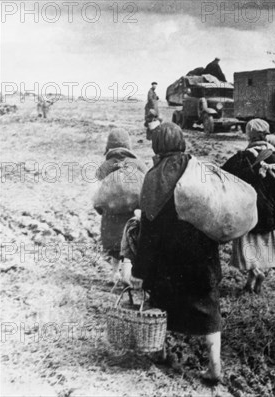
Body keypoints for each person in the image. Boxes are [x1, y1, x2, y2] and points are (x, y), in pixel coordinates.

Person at [132, 122, 223, 383]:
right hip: (202, 256)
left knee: (161, 304)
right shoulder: (200, 169)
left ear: (157, 145)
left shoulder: (153, 177)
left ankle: (159, 352)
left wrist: (140, 270)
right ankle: (215, 366)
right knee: (209, 309)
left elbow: (148, 231)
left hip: (167, 261)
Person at [222, 119, 275, 294]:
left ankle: (255, 272)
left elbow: (223, 176)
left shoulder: (241, 158)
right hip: (269, 212)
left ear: (249, 135)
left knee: (247, 246)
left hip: (247, 212)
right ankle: (251, 280)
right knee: (261, 246)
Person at [94, 129, 147, 283]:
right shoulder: (138, 164)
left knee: (115, 248)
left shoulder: (105, 166)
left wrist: (101, 209)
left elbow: (98, 193)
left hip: (111, 216)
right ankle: (127, 275)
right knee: (129, 245)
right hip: (132, 213)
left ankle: (113, 274)